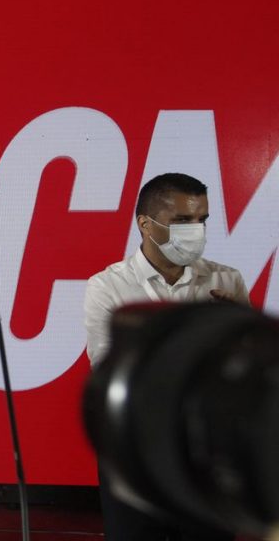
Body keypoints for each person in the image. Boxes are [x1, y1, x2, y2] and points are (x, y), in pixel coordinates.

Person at [84, 172, 247, 540]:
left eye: (202, 219)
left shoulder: (227, 281)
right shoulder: (107, 286)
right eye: (183, 220)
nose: (197, 230)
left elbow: (242, 379)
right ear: (145, 224)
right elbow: (114, 373)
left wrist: (241, 330)